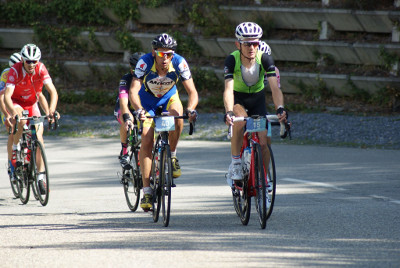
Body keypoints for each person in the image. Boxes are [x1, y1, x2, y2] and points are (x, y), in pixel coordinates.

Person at [129, 33, 198, 210]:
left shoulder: (179, 63)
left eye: (169, 54)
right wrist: (138, 110)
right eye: (161, 54)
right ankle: (147, 192)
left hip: (168, 99)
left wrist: (191, 109)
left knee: (178, 114)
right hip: (147, 102)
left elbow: (192, 92)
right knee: (146, 139)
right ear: (154, 52)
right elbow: (133, 91)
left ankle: (172, 155)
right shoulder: (144, 62)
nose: (165, 58)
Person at [223, 22, 287, 187]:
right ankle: (236, 163)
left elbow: (275, 88)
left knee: (264, 142)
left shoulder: (264, 58)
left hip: (257, 99)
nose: (252, 47)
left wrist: (280, 108)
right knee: (240, 119)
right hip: (238, 98)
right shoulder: (232, 59)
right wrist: (229, 111)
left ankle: (263, 182)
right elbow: (228, 89)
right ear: (238, 44)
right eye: (247, 43)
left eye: (255, 43)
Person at [4, 44, 58, 194]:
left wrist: (51, 111)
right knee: (20, 120)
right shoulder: (15, 70)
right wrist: (13, 111)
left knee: (39, 139)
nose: (31, 64)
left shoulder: (41, 68)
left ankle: (40, 177)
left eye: (35, 61)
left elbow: (52, 92)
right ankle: (15, 148)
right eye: (28, 61)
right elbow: (7, 96)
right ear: (22, 60)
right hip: (16, 102)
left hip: (32, 103)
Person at [114, 51, 145, 169]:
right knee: (128, 119)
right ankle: (124, 151)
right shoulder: (126, 79)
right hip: (125, 107)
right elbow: (123, 101)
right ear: (132, 70)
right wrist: (127, 117)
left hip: (141, 109)